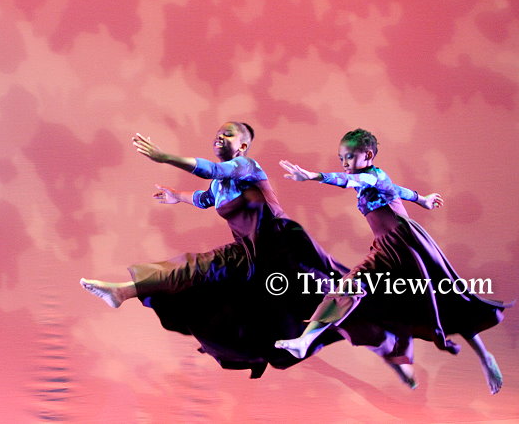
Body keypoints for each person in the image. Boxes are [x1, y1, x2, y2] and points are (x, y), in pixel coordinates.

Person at [80, 122, 348, 378]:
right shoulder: (218, 186)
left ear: (242, 147)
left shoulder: (247, 166)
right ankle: (123, 291)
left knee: (333, 294)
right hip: (248, 253)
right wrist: (177, 196)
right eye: (218, 133)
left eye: (228, 134)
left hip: (280, 248)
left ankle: (363, 320)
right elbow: (202, 198)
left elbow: (211, 170)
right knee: (198, 275)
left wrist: (165, 157)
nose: (220, 136)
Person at [274, 128, 509, 394]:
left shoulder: (371, 176)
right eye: (341, 158)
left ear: (368, 155)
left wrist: (314, 176)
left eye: (349, 157)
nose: (344, 163)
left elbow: (348, 180)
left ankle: (485, 358)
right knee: (349, 287)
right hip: (384, 248)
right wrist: (422, 199)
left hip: (407, 244)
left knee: (447, 302)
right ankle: (305, 340)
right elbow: (397, 190)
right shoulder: (373, 180)